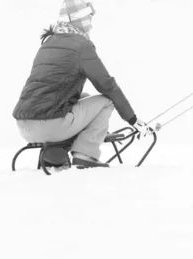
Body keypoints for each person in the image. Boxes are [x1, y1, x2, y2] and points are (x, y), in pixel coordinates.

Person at [12, 0, 150, 168]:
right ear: (77, 19)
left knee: (84, 97)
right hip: (50, 126)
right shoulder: (81, 45)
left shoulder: (48, 43)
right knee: (105, 102)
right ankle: (85, 155)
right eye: (88, 20)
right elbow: (107, 85)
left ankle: (56, 152)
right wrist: (132, 119)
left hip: (25, 127)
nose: (90, 26)